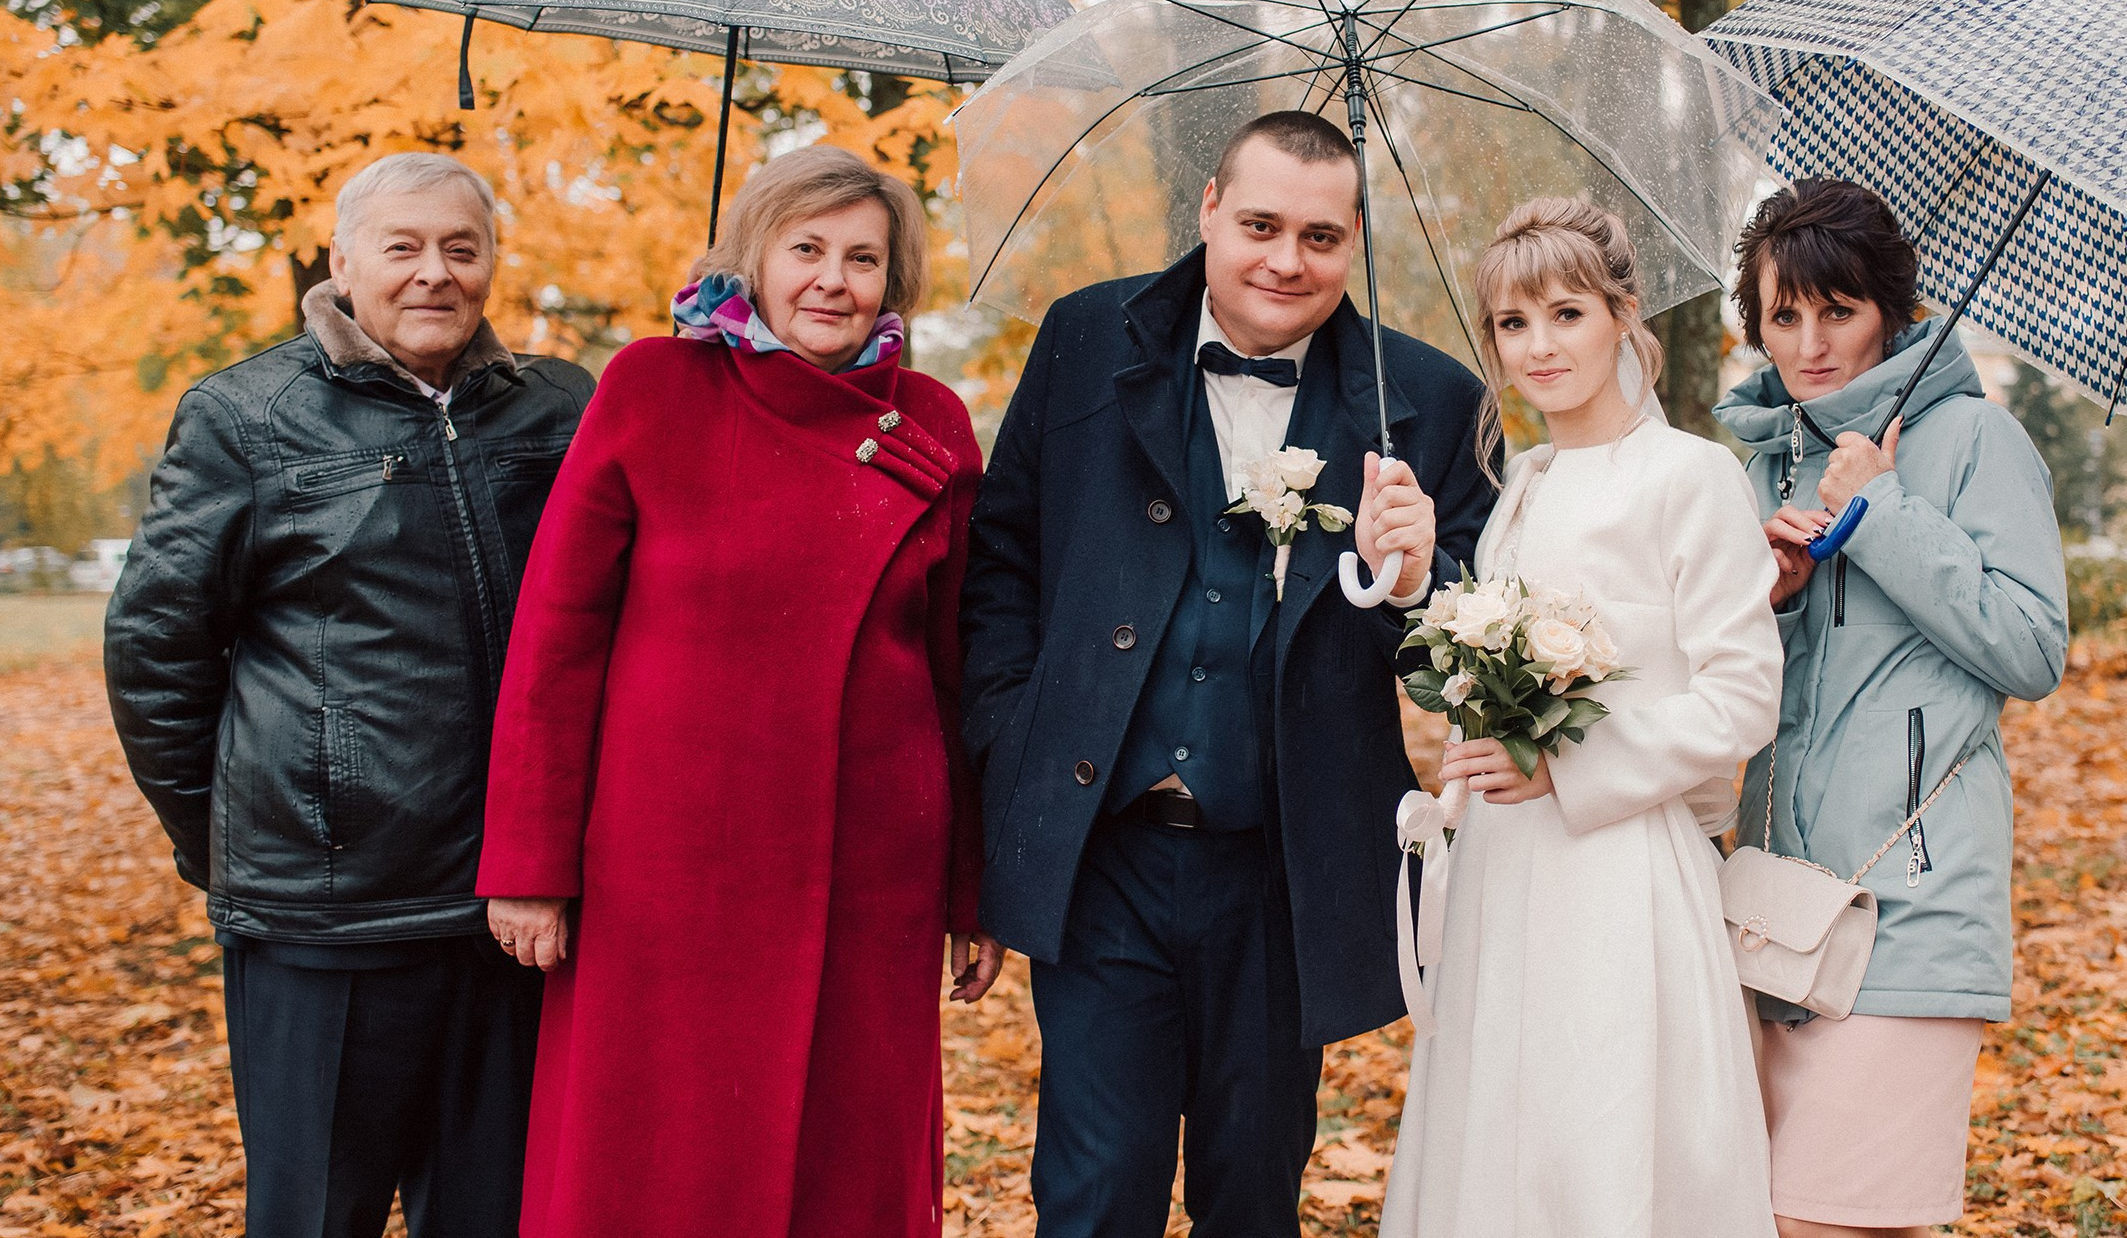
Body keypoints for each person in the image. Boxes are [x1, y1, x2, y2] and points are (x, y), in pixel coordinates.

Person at [962, 109, 1498, 1236]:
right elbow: (1002, 557)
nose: (1284, 260)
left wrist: (1417, 572)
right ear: (1207, 208)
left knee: (1252, 1193)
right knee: (1093, 1189)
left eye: (1318, 235)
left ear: (1354, 239)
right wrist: (1014, 734)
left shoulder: (1429, 401)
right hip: (1104, 846)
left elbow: (1478, 657)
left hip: (1285, 868)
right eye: (1258, 224)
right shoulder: (1084, 338)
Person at [476, 145, 994, 1238]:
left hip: (871, 872)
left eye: (862, 257)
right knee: (651, 1156)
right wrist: (528, 863)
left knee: (844, 1165)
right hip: (663, 870)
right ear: (751, 258)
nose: (831, 279)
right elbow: (557, 635)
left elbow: (964, 671)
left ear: (892, 281)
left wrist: (970, 887)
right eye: (805, 248)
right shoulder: (653, 387)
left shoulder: (932, 420)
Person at [104, 152, 594, 1238]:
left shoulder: (564, 406)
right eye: (404, 246)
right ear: (343, 261)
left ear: (492, 264)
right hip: (325, 914)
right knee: (314, 1212)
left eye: (461, 249)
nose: (435, 273)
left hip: (516, 911)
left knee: (499, 1215)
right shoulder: (247, 414)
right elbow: (155, 652)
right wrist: (233, 837)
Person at [1381, 196, 1783, 1237]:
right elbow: (1492, 663)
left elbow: (1744, 692)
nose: (1539, 345)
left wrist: (1571, 769)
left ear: (1622, 313)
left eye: (1564, 312)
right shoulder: (1519, 483)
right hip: (1501, 868)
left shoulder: (1690, 475)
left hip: (1622, 871)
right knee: (1496, 1141)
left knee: (1602, 1138)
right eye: (1513, 324)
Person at [1714, 178, 2069, 1238]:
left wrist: (1880, 510)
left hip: (1907, 909)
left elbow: (2029, 643)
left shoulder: (1972, 440)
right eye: (1785, 314)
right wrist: (1766, 601)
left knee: (1821, 1220)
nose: (1811, 342)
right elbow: (1740, 692)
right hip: (1770, 909)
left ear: (1890, 309)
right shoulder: (1760, 459)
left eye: (1839, 309)